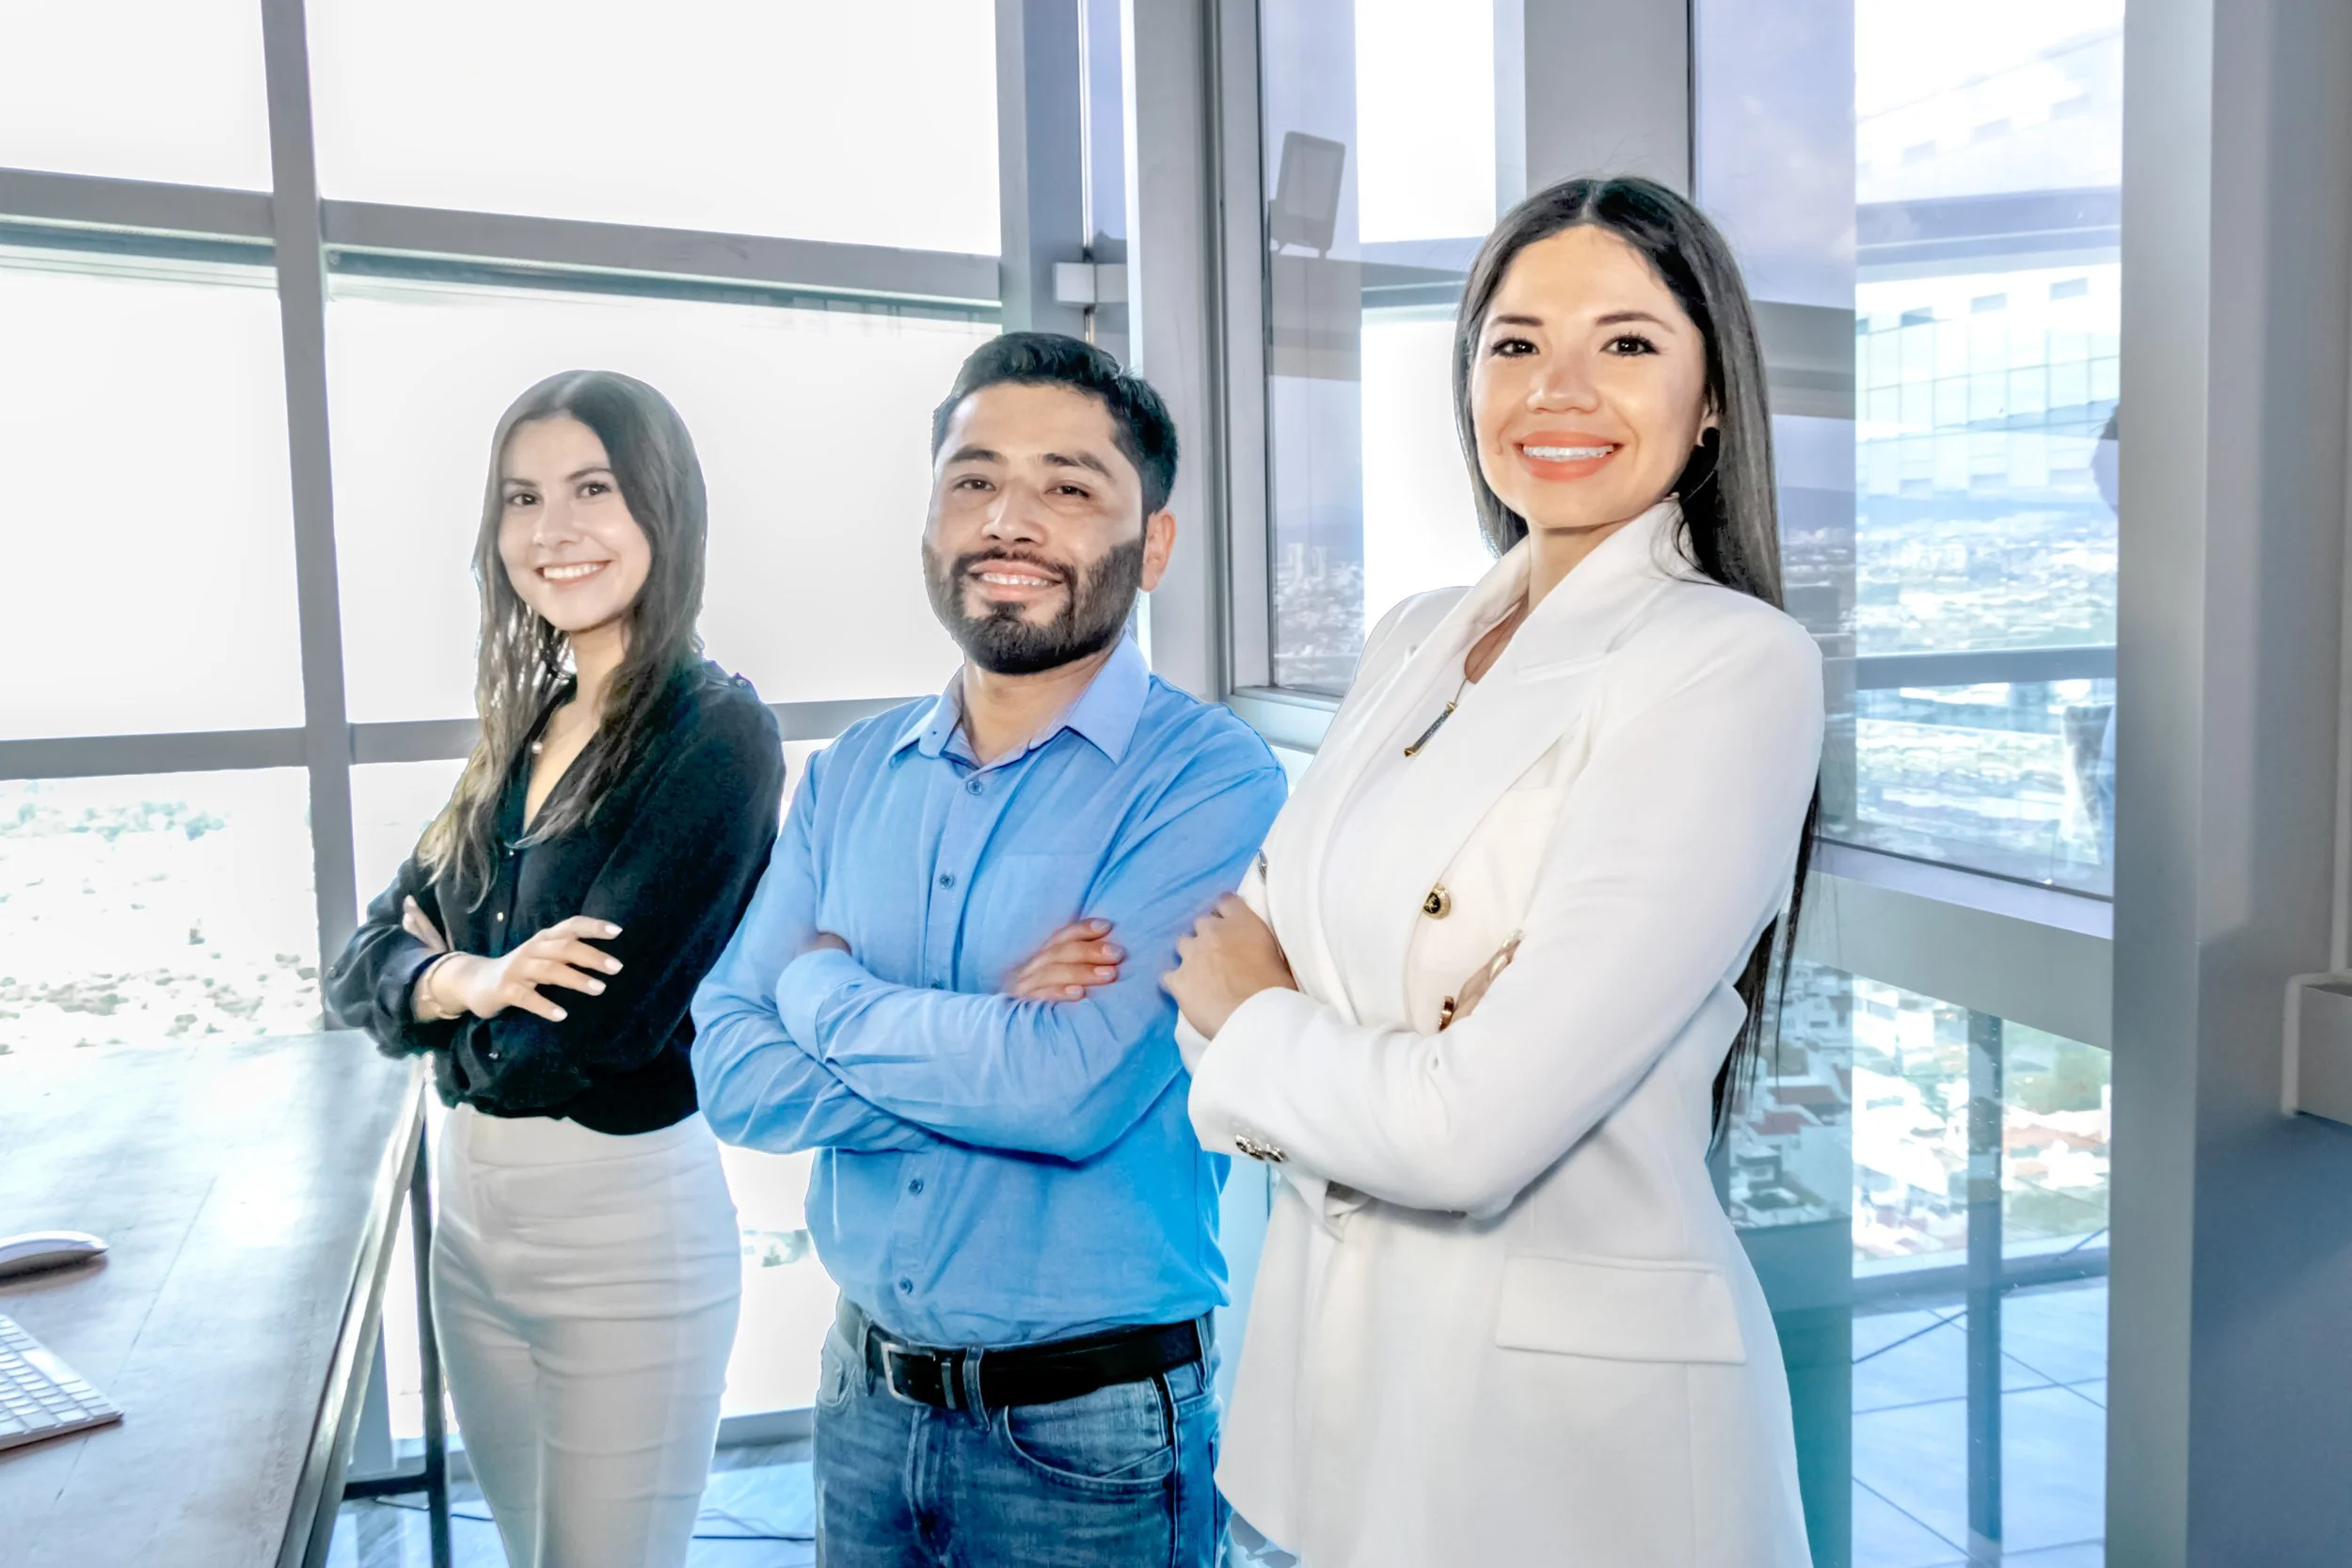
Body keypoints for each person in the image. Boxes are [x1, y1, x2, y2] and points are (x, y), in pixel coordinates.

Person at [1166, 177, 1824, 1567]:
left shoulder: (1729, 663)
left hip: (1561, 1456)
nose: (1559, 388)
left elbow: (1465, 1136)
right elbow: (1215, 964)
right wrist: (1385, 1047)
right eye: (1515, 341)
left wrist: (1286, 1016)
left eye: (1628, 343)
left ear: (1712, 399)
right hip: (1314, 1422)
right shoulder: (1412, 633)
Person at [691, 332, 1286, 1568]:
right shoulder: (853, 772)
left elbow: (1066, 1093)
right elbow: (733, 1072)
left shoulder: (1208, 777)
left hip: (1091, 1435)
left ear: (1153, 542)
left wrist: (822, 985)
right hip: (861, 1401)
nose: (1010, 517)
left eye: (1069, 485)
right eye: (973, 478)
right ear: (928, 520)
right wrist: (987, 1042)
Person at [327, 370, 783, 1568]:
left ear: (661, 509)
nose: (553, 529)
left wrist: (437, 998)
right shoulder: (523, 730)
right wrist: (469, 983)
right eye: (523, 497)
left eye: (593, 487)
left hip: (621, 1238)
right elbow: (360, 959)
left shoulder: (714, 732)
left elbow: (570, 1040)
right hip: (470, 1229)